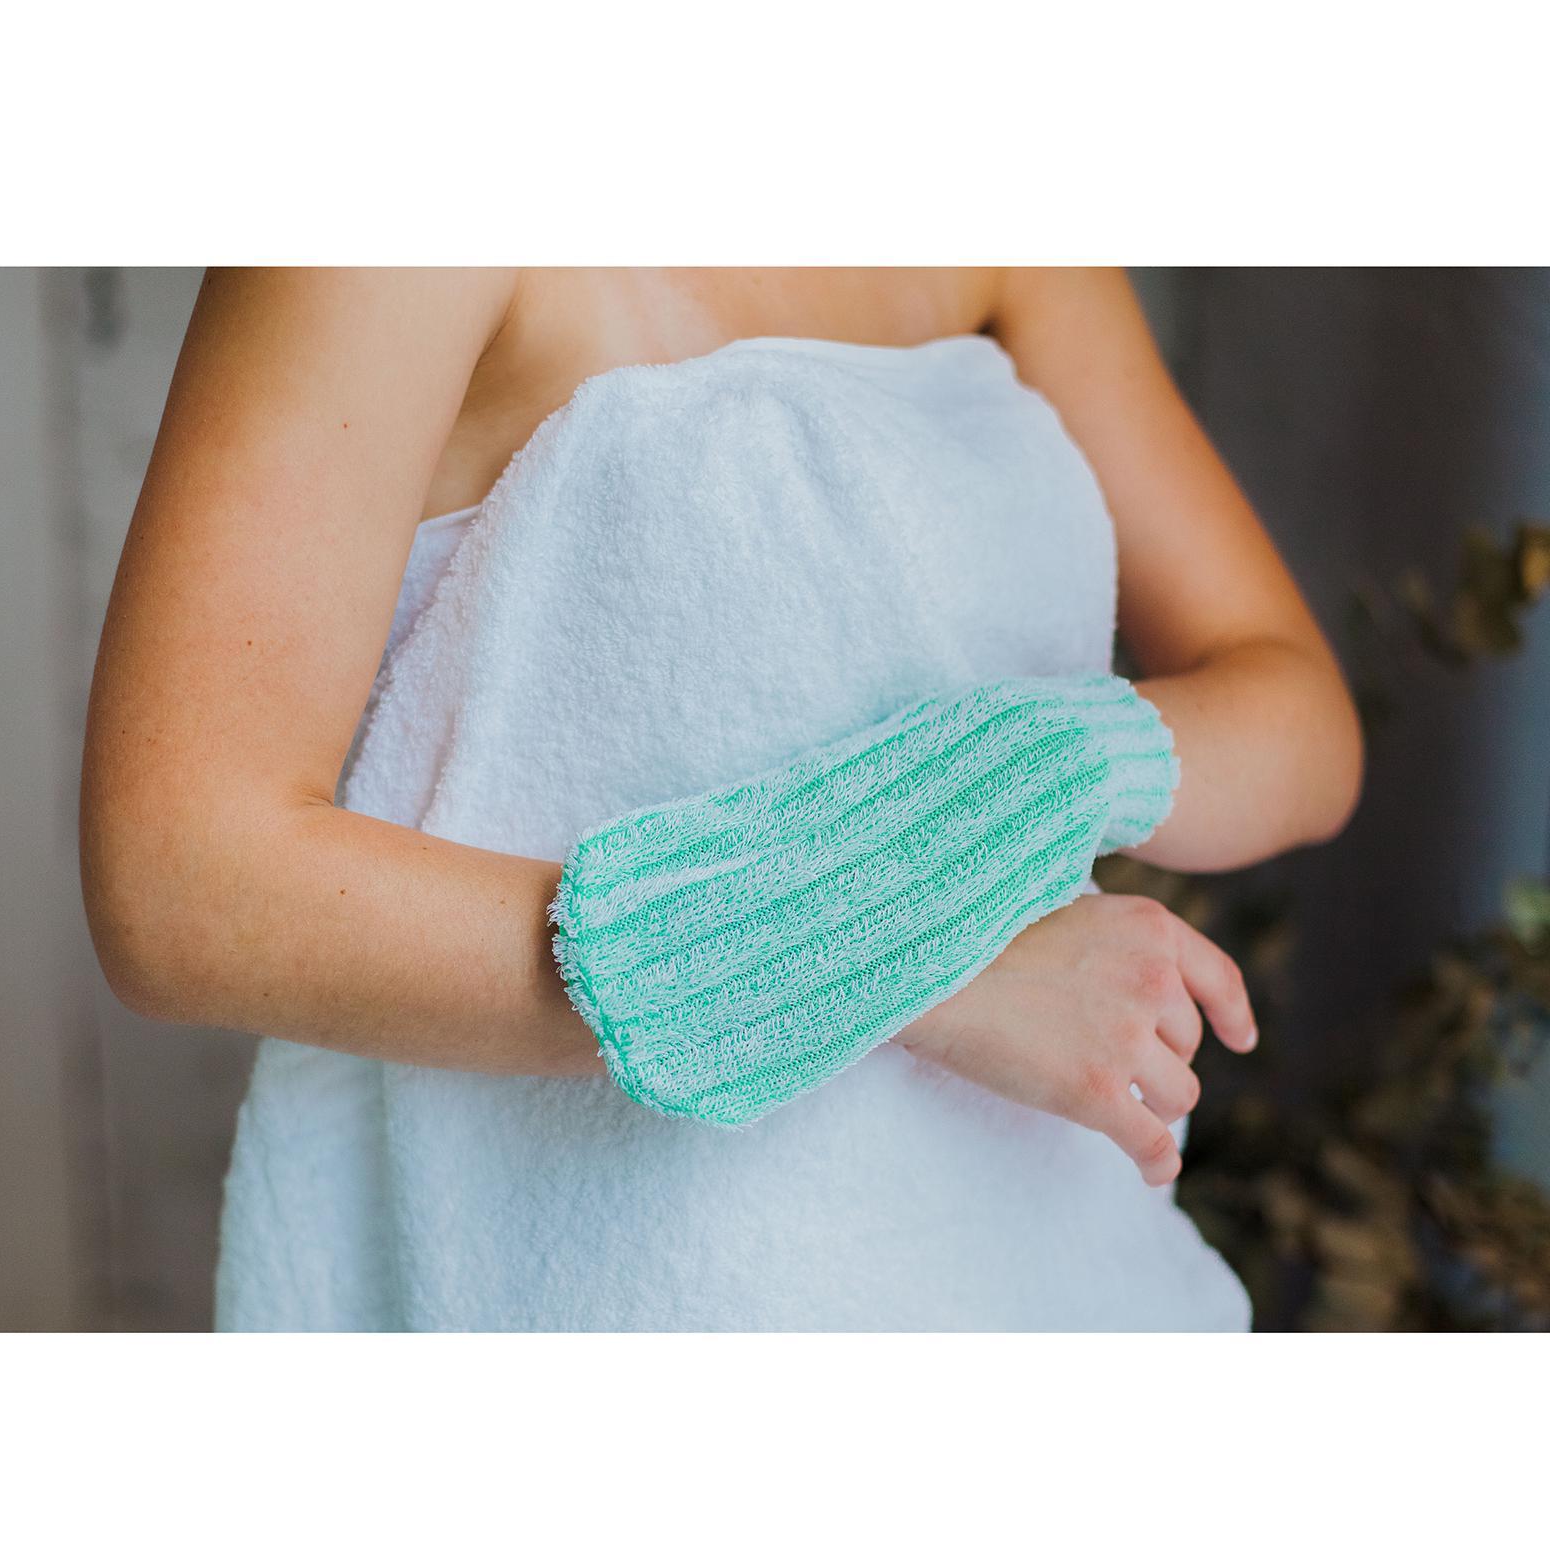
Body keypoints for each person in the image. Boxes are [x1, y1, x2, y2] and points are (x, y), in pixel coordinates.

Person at [80, 268, 1363, 1330]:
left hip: (1059, 1276)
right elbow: (183, 884)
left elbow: (1297, 715)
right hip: (607, 1293)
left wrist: (1028, 773)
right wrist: (898, 940)